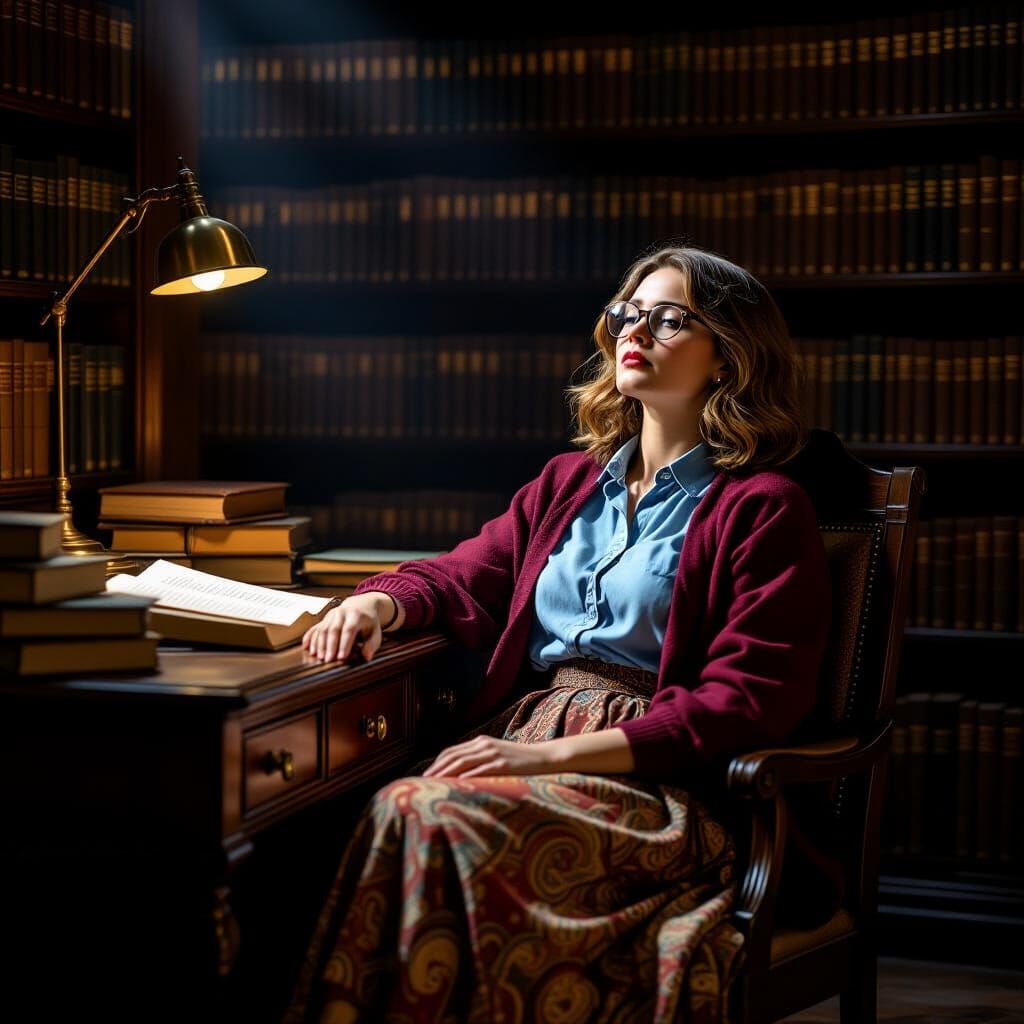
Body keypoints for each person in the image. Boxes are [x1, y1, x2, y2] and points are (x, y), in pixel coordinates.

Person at [284, 245, 833, 1023]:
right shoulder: (565, 484)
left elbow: (749, 699)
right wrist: (379, 603)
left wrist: (544, 756)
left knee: (420, 808)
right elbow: (463, 574)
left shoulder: (763, 508)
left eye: (672, 318)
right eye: (630, 312)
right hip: (522, 739)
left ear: (728, 357)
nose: (638, 329)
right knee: (388, 810)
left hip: (658, 784)